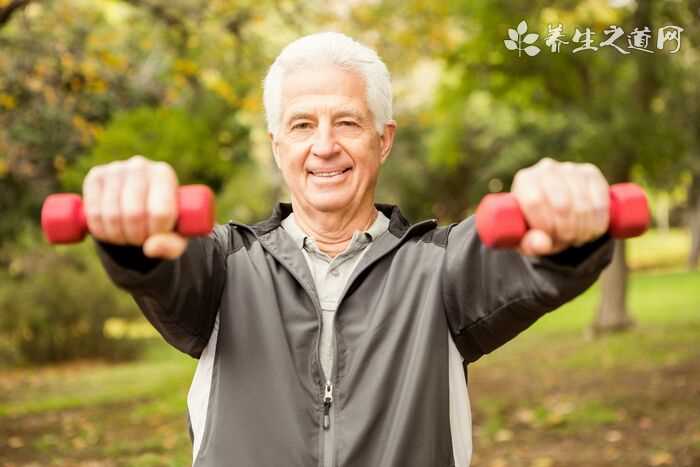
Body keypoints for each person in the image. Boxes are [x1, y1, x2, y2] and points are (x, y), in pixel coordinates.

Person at [86, 32, 614, 467]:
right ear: (277, 146)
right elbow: (167, 270)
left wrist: (562, 219)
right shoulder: (222, 267)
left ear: (383, 140)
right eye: (301, 125)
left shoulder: (442, 267)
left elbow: (522, 263)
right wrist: (135, 233)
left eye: (346, 122)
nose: (324, 146)